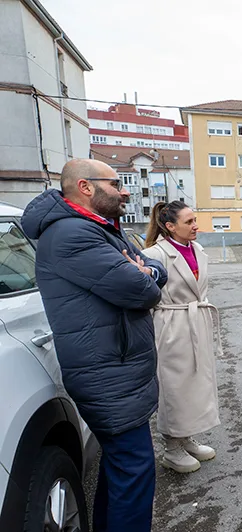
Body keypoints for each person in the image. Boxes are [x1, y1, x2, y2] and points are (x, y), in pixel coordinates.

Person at [20, 158, 167, 532]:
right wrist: (142, 273)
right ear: (86, 187)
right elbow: (142, 290)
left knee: (121, 469)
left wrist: (142, 269)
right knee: (134, 472)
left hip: (115, 371)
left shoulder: (98, 228)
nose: (125, 191)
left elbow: (150, 268)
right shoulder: (73, 235)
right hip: (108, 374)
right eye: (117, 184)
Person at [141, 201, 221, 473]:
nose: (195, 226)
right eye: (189, 222)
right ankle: (171, 447)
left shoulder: (196, 249)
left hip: (196, 321)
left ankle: (185, 437)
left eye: (195, 220)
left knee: (195, 383)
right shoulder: (154, 253)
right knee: (174, 386)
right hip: (172, 325)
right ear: (169, 226)